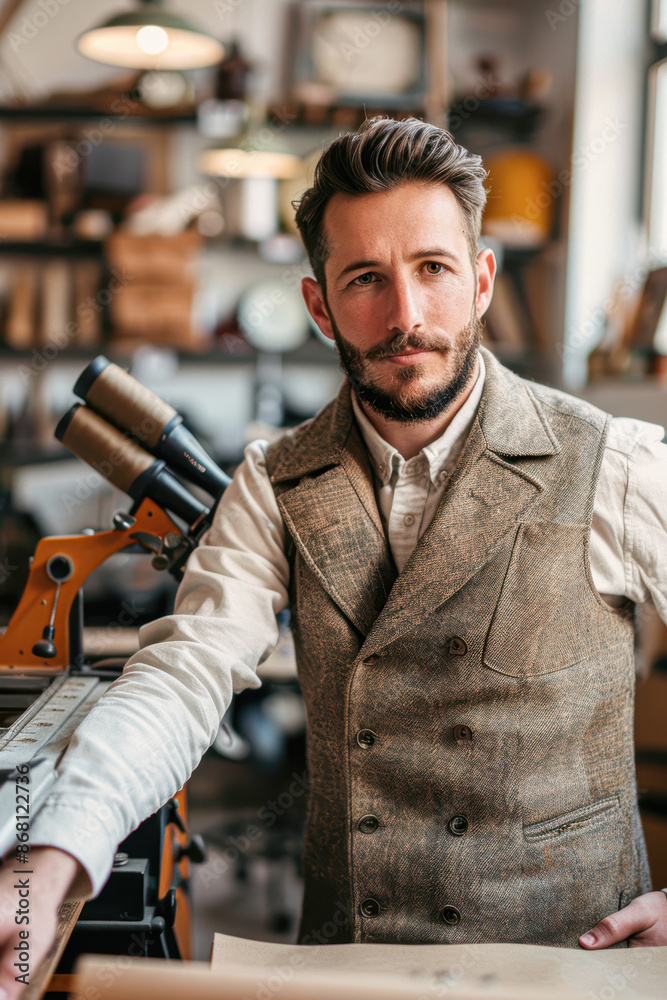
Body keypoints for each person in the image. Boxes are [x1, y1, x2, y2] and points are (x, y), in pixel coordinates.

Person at [2, 116, 667, 997]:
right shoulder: (274, 480)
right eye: (365, 280)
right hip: (351, 971)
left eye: (432, 269)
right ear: (319, 307)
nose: (405, 316)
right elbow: (185, 675)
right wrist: (47, 861)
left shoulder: (614, 461)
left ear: (479, 280)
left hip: (575, 968)